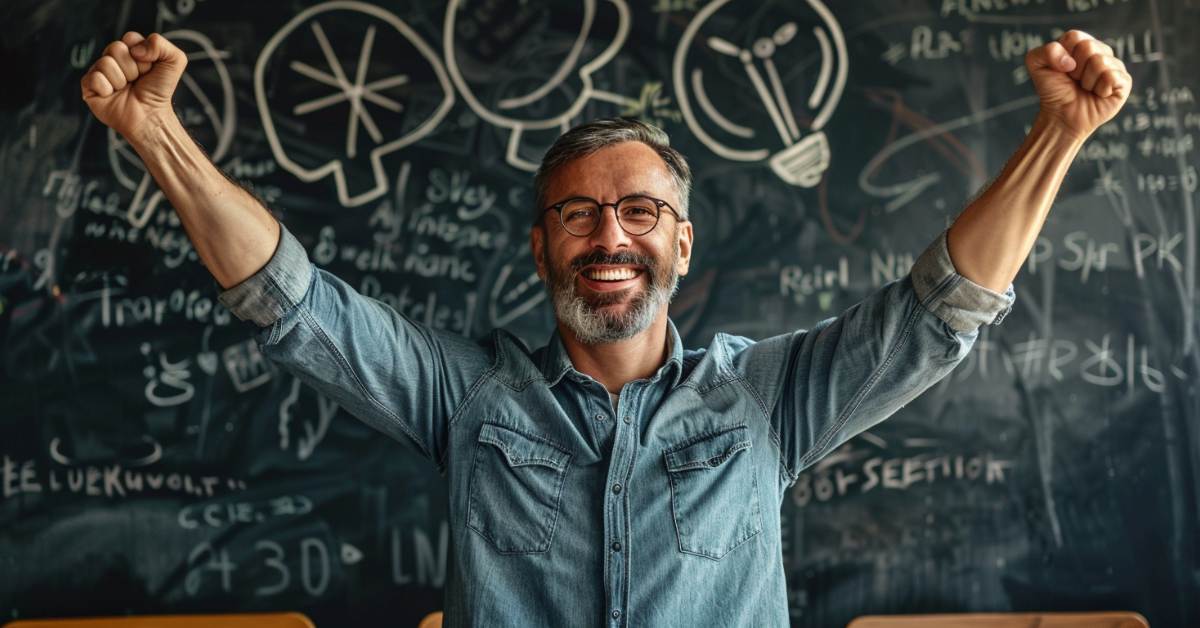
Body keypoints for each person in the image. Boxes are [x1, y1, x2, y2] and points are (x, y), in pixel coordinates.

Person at [82, 29, 1130, 627]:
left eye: (639, 212)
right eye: (577, 213)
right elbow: (293, 304)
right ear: (541, 249)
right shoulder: (469, 400)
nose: (608, 235)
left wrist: (1059, 132)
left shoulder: (767, 398)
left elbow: (939, 312)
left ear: (681, 245)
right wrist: (155, 133)